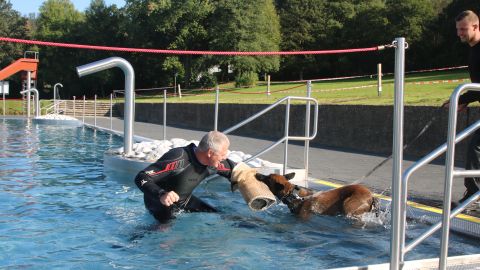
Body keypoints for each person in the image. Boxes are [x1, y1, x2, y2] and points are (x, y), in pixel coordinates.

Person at [134, 131, 237, 222]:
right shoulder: (179, 159)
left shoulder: (214, 163)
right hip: (160, 204)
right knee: (165, 237)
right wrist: (161, 194)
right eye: (223, 154)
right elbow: (141, 177)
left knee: (220, 215)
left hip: (184, 201)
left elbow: (238, 171)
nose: (225, 157)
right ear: (210, 153)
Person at [444, 10, 480, 205]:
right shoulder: (473, 49)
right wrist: (463, 100)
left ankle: (473, 196)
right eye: (458, 29)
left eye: (463, 29)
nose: (459, 33)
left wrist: (461, 98)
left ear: (476, 26)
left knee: (476, 147)